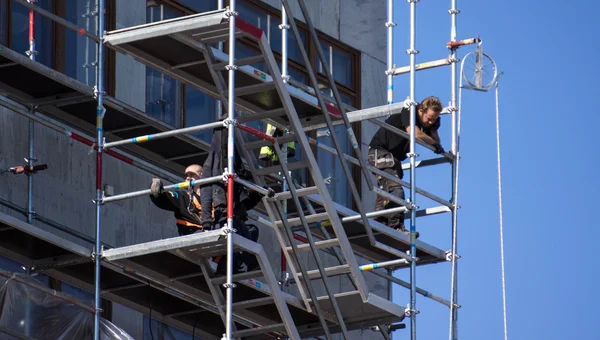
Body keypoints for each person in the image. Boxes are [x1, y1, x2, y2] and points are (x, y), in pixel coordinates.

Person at [368, 96, 446, 236]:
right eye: (429, 118)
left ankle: (379, 223)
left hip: (393, 158)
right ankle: (396, 227)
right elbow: (414, 133)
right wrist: (434, 143)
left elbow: (436, 139)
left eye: (434, 119)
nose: (430, 122)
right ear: (421, 110)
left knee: (385, 191)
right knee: (395, 189)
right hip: (380, 153)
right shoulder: (409, 110)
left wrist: (433, 130)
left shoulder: (431, 122)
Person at [200, 113, 261, 275]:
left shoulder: (235, 164)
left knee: (249, 230)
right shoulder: (212, 165)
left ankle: (240, 264)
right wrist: (206, 223)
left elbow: (242, 202)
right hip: (220, 218)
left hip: (232, 216)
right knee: (234, 228)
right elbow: (206, 193)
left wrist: (258, 193)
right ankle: (246, 263)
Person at [149, 164, 210, 236]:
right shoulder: (182, 197)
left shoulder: (214, 197)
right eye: (186, 176)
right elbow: (165, 198)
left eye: (191, 174)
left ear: (202, 175)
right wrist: (155, 188)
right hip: (192, 238)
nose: (188, 178)